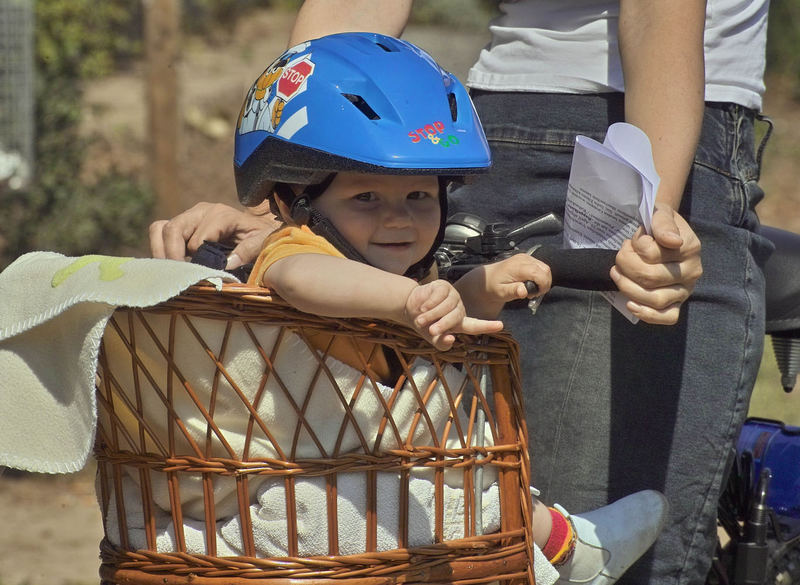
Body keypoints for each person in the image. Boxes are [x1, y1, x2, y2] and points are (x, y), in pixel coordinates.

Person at [150, 2, 773, 583]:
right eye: (366, 197)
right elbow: (308, 277)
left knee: (471, 452)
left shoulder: (385, 265)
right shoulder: (306, 255)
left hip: (508, 131)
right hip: (633, 131)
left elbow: (435, 312)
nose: (398, 218)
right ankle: (563, 544)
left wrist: (477, 286)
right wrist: (654, 208)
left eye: (420, 200)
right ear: (300, 200)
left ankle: (556, 538)